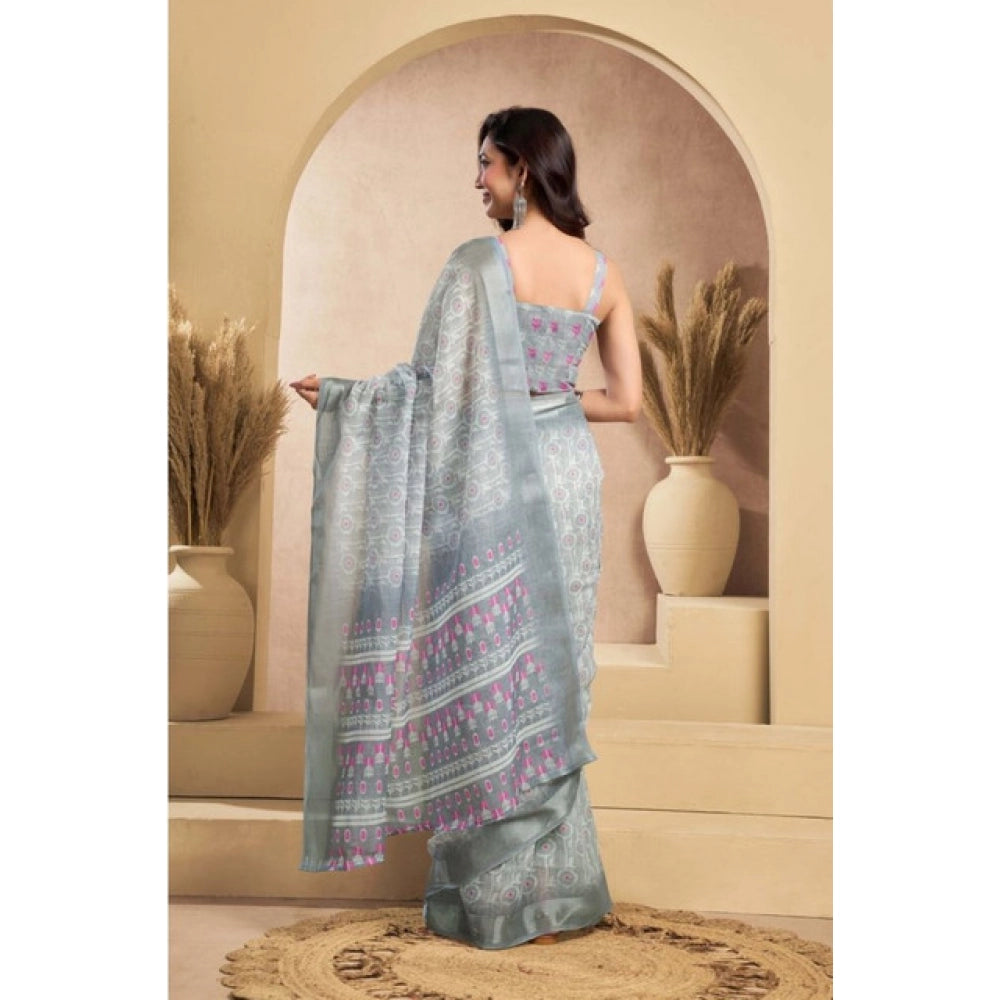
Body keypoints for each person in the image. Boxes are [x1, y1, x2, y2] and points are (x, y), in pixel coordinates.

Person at [290, 106, 641, 950]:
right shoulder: (602, 274)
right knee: (552, 675)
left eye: (486, 163)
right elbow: (627, 402)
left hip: (494, 484)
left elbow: (428, 388)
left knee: (489, 671)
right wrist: (547, 399)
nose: (477, 181)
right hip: (567, 479)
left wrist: (344, 397)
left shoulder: (480, 264)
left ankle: (493, 900)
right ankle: (555, 898)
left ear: (523, 168)